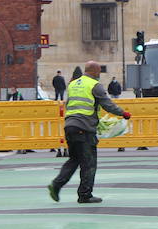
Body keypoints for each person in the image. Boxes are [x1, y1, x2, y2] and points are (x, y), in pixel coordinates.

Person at [47, 60, 130, 204]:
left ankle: (56, 184)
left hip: (70, 126)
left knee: (74, 159)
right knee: (89, 162)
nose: (99, 75)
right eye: (98, 72)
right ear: (94, 71)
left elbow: (69, 104)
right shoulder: (94, 85)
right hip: (84, 128)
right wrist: (123, 113)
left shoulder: (73, 84)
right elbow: (107, 104)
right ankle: (85, 194)